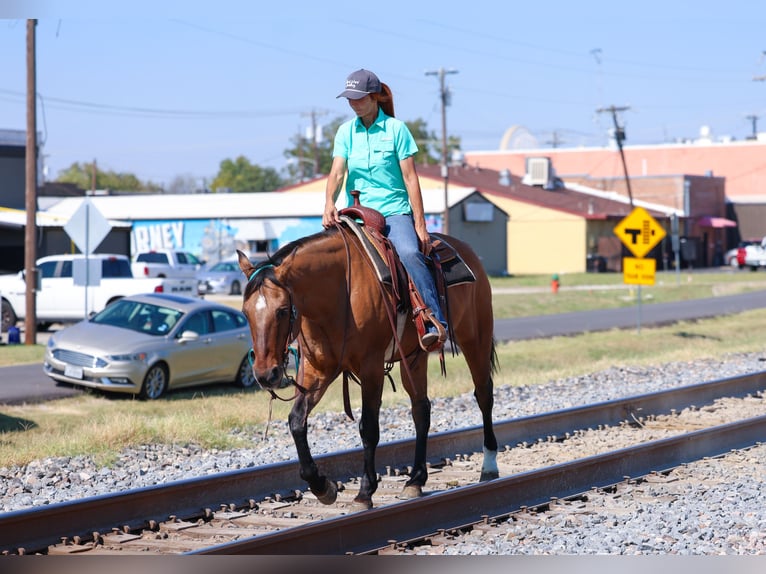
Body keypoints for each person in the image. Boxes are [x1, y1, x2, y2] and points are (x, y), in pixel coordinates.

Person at [323, 68, 447, 349]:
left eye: (358, 98)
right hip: (355, 213)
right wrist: (329, 203)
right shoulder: (345, 132)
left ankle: (432, 319)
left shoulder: (396, 130)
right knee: (323, 258)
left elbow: (410, 178)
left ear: (375, 97)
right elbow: (337, 172)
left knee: (409, 253)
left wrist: (419, 224)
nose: (353, 104)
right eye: (349, 99)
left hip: (393, 211)